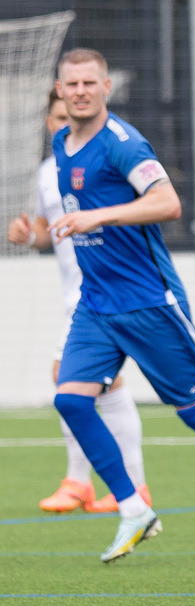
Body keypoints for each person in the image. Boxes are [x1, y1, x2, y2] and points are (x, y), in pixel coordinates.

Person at [48, 48, 195, 564]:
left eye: (91, 82)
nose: (81, 91)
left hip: (149, 302)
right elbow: (75, 221)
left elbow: (168, 203)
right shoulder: (62, 144)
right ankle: (134, 509)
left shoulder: (123, 144)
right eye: (73, 84)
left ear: (106, 87)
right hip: (97, 305)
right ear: (61, 90)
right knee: (69, 400)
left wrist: (100, 218)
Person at [8, 88, 151, 515]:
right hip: (77, 294)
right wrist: (28, 236)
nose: (63, 124)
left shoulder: (107, 159)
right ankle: (124, 486)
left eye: (67, 117)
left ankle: (83, 482)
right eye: (55, 118)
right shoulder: (47, 172)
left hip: (106, 289)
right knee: (98, 385)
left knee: (68, 378)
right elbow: (46, 232)